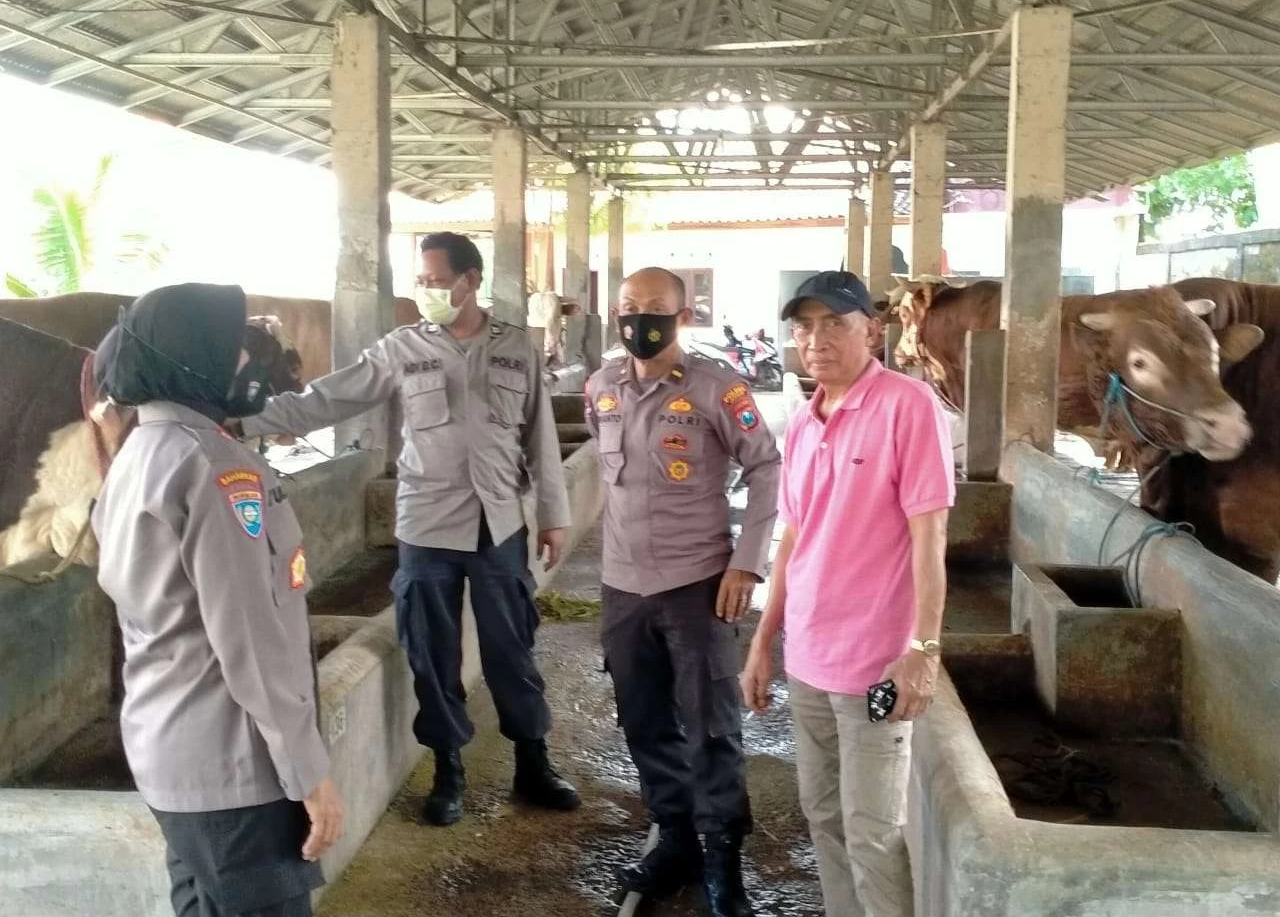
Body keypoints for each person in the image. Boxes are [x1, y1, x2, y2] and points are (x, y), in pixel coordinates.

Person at [232, 232, 579, 827]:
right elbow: (325, 400)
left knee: (510, 649)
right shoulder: (400, 348)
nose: (426, 291)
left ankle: (533, 761)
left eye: (436, 280)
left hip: (499, 525)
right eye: (420, 281)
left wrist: (553, 513)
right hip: (426, 527)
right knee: (431, 653)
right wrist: (238, 416)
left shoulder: (515, 348)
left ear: (470, 282)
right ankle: (448, 770)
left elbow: (539, 437)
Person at [92, 283, 344, 917]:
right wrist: (307, 772)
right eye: (233, 345)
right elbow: (252, 641)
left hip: (171, 759)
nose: (246, 360)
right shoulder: (214, 468)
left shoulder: (137, 453)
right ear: (191, 355)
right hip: (235, 773)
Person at [740, 271, 954, 917]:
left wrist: (923, 647)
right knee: (824, 817)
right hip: (808, 658)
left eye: (835, 322)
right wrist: (761, 641)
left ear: (873, 330)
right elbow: (793, 540)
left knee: (873, 830)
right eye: (804, 326)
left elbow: (929, 537)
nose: (816, 339)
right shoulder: (804, 424)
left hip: (875, 667)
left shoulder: (908, 406)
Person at [585, 267, 781, 917]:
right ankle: (675, 840)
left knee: (712, 731)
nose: (639, 320)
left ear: (683, 314)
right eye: (628, 308)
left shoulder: (717, 389)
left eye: (655, 310)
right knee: (643, 723)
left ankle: (724, 864)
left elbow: (765, 468)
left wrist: (746, 564)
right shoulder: (600, 388)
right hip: (622, 589)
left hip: (697, 587)